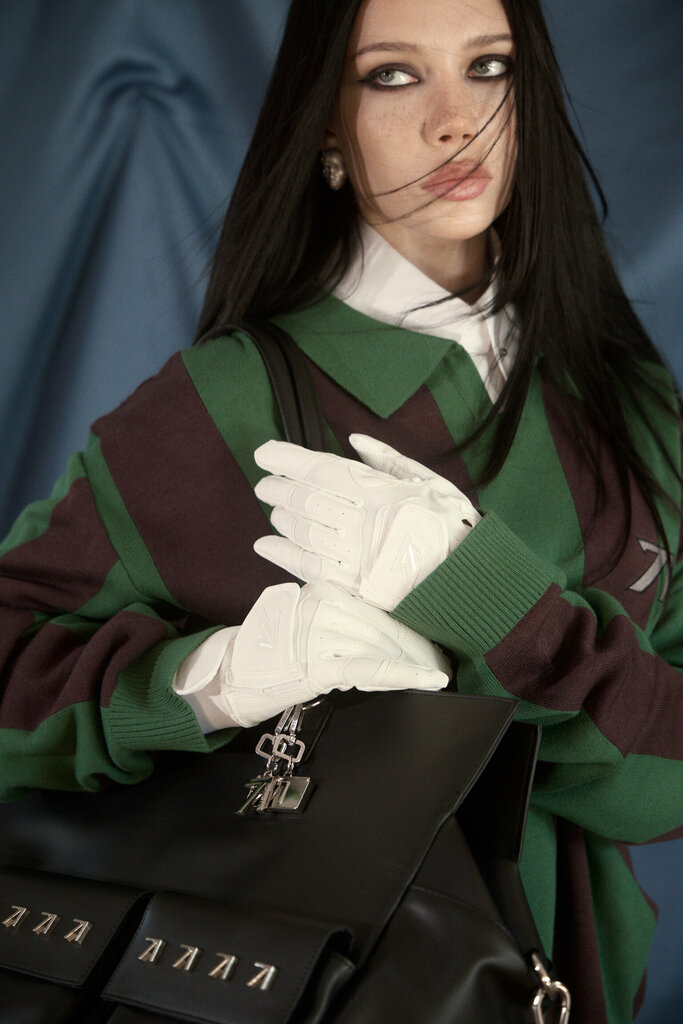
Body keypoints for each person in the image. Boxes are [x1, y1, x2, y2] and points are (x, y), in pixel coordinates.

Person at [0, 0, 681, 1020]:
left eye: (488, 67)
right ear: (325, 123)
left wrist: (485, 600)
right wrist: (207, 681)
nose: (454, 121)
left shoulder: (631, 405)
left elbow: (665, 782)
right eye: (392, 75)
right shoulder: (217, 405)